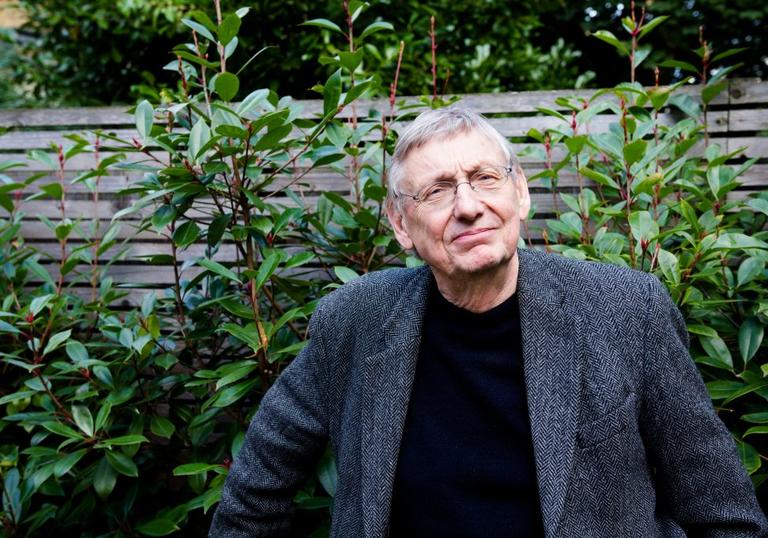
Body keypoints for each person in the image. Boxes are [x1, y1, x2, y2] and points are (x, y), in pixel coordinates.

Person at [209, 107, 767, 537]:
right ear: (402, 225)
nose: (469, 205)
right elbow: (256, 488)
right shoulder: (356, 319)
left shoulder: (626, 309)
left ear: (520, 193)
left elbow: (724, 512)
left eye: (484, 178)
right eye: (437, 191)